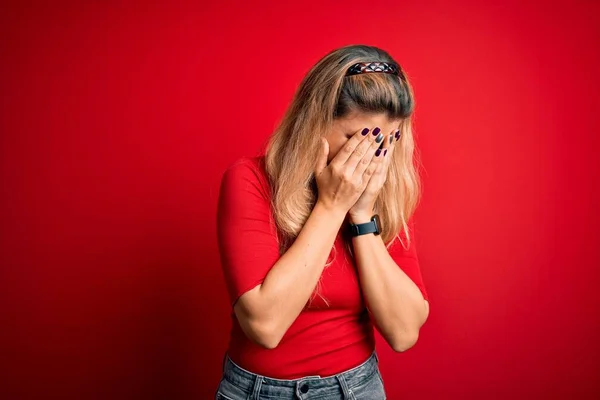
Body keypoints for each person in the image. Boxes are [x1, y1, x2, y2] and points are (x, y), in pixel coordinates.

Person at [215, 44, 430, 400]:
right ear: (314, 122)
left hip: (357, 388)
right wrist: (332, 206)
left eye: (384, 142)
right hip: (260, 392)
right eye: (356, 139)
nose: (373, 159)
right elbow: (265, 325)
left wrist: (361, 217)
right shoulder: (249, 180)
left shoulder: (384, 193)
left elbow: (404, 332)